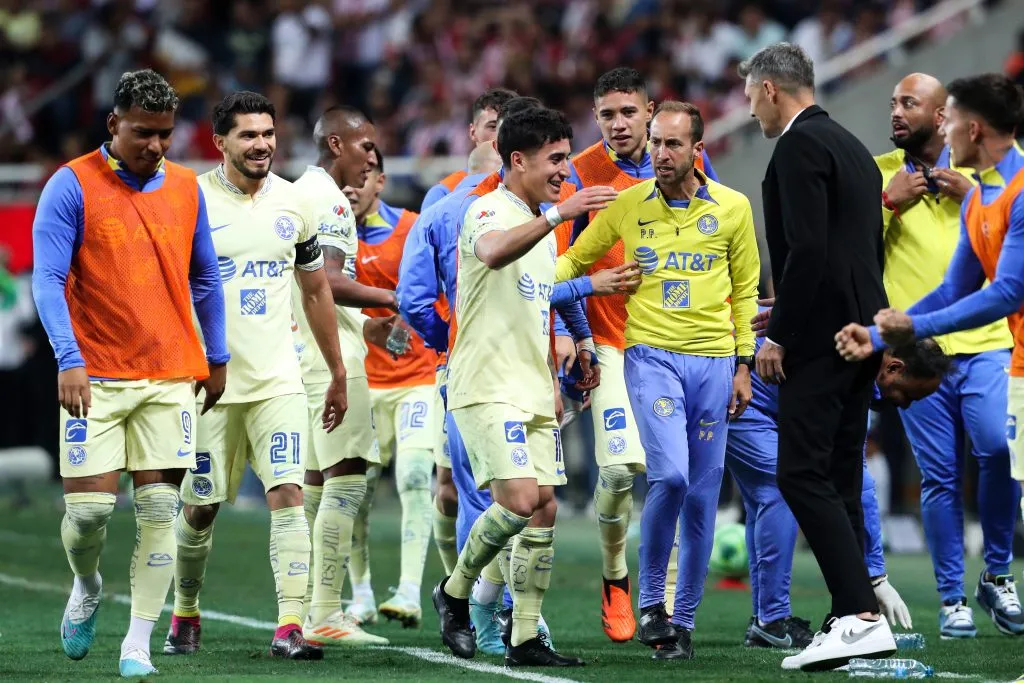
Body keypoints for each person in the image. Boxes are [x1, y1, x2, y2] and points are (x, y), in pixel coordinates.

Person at [32, 68, 228, 678]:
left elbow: (205, 278)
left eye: (166, 134)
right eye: (143, 132)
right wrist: (68, 358)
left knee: (159, 511)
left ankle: (137, 643)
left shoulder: (187, 187)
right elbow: (46, 279)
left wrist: (215, 355)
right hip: (97, 373)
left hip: (171, 372)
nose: (156, 146)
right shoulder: (70, 185)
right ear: (114, 123)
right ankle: (87, 584)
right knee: (89, 515)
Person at [557, 100, 760, 661]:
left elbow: (744, 291)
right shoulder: (625, 206)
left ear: (698, 150)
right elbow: (567, 266)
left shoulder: (733, 209)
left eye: (674, 145)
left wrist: (743, 363)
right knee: (668, 475)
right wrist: (588, 286)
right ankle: (649, 602)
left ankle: (682, 622)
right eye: (657, 144)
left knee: (701, 494)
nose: (661, 154)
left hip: (715, 364)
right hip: (651, 360)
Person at [837, 73, 1024, 637]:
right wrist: (885, 205)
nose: (895, 111)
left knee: (998, 452)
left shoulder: (998, 182)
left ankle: (996, 574)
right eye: (893, 101)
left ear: (952, 119)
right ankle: (952, 599)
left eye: (909, 103)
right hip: (916, 360)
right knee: (939, 477)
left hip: (993, 344)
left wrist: (974, 197)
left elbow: (1003, 289)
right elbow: (845, 248)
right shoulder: (877, 173)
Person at [432, 106, 618, 667]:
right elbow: (491, 253)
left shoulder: (543, 229)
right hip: (486, 384)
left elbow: (537, 306)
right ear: (519, 160)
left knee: (543, 509)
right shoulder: (487, 210)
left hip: (532, 385)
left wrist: (558, 372)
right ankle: (455, 593)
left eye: (566, 157)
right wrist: (560, 213)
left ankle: (525, 636)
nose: (566, 170)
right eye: (556, 159)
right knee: (514, 501)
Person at [168, 91, 345, 661]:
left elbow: (316, 290)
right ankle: (185, 612)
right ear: (219, 142)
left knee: (289, 495)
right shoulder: (189, 200)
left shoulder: (295, 204)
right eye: (248, 135)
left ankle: (290, 626)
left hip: (279, 381)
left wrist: (336, 369)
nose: (262, 144)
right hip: (207, 386)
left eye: (268, 133)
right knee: (200, 509)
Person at [739, 42, 895, 670]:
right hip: (860, 331)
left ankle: (857, 615)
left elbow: (804, 252)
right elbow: (846, 253)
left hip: (824, 339)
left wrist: (782, 335)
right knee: (838, 474)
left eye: (751, 95)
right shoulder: (854, 148)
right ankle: (851, 613)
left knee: (799, 473)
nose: (749, 110)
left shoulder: (799, 147)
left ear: (772, 89)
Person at [564, 67, 717, 642]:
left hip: (675, 342)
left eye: (629, 112)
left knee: (671, 474)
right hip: (606, 341)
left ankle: (669, 602)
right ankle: (614, 573)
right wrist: (573, 335)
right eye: (607, 114)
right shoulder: (578, 174)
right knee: (622, 468)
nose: (620, 124)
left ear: (650, 111)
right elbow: (563, 263)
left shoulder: (693, 169)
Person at [739, 309, 949, 649]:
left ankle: (767, 620)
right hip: (743, 399)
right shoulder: (854, 365)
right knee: (777, 493)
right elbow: (857, 479)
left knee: (767, 498)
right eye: (908, 394)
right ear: (894, 367)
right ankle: (771, 620)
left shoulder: (860, 347)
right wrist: (876, 577)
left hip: (766, 405)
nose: (905, 406)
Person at [291, 105, 399, 647]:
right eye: (364, 148)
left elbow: (314, 285)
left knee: (316, 478)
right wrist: (393, 297)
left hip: (302, 352)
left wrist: (370, 326)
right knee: (348, 474)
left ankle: (307, 609)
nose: (371, 159)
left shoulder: (299, 192)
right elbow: (329, 281)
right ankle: (327, 612)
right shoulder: (330, 202)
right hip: (329, 358)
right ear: (336, 145)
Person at [346, 147, 438, 628]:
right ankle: (360, 595)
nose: (353, 186)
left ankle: (408, 591)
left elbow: (434, 290)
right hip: (361, 382)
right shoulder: (328, 237)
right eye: (347, 177)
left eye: (364, 177)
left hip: (416, 380)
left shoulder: (412, 229)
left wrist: (409, 320)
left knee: (416, 475)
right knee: (354, 492)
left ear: (380, 182)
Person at [420, 88, 518, 212]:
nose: (501, 135)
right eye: (493, 126)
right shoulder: (442, 194)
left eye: (508, 127)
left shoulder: (538, 190)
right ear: (473, 132)